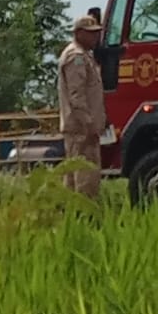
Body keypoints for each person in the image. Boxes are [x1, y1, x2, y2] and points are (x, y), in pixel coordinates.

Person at [58, 14, 106, 199]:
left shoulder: (84, 56)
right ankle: (85, 216)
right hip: (81, 129)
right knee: (86, 177)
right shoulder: (76, 57)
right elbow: (76, 95)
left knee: (74, 175)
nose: (95, 37)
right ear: (78, 33)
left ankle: (71, 213)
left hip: (82, 128)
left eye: (96, 33)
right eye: (90, 33)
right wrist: (88, 123)